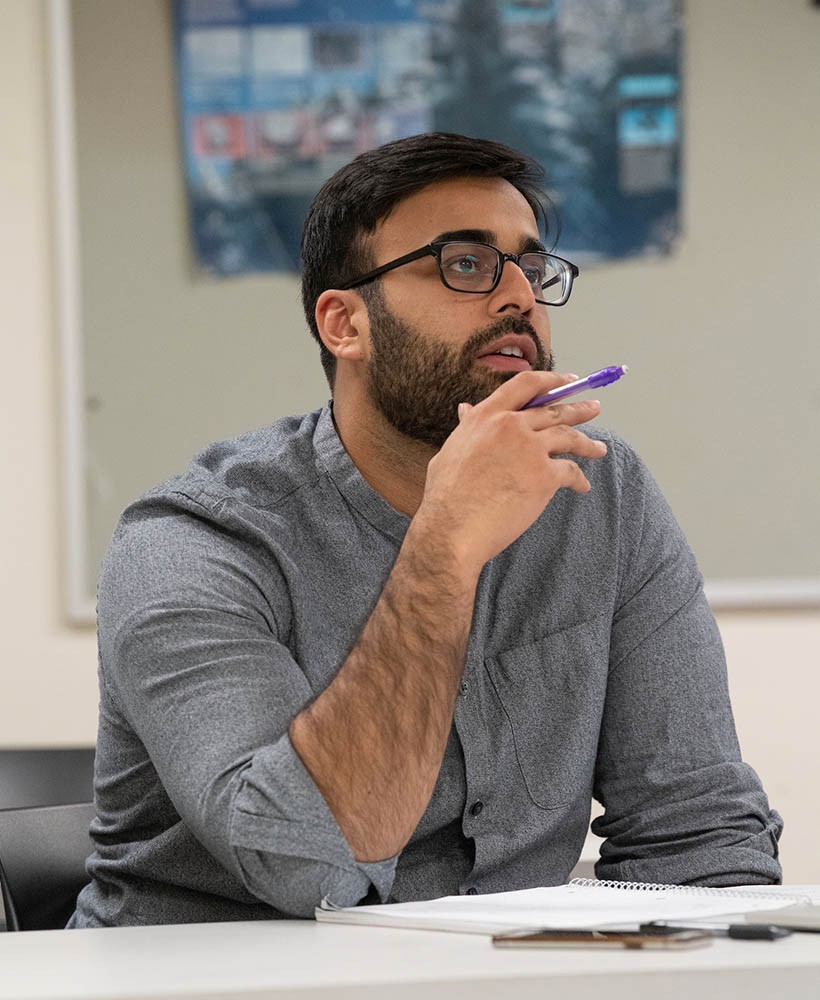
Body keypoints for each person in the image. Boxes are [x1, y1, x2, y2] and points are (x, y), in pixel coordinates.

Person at [70, 133, 782, 928]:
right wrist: (445, 547)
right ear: (345, 324)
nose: (519, 297)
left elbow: (696, 830)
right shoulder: (196, 540)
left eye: (531, 268)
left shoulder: (601, 494)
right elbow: (307, 868)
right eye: (466, 264)